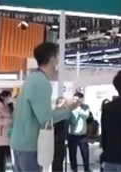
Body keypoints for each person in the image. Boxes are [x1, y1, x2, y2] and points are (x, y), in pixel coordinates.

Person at [10, 42, 78, 172]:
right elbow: (45, 118)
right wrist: (68, 109)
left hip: (20, 144)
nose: (57, 61)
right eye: (57, 57)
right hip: (30, 145)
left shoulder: (31, 80)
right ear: (52, 59)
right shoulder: (41, 82)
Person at [68, 92, 93, 172]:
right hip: (72, 133)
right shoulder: (70, 107)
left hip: (82, 134)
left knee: (85, 152)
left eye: (77, 99)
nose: (75, 101)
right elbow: (67, 118)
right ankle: (74, 168)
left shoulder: (85, 107)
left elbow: (85, 116)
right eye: (74, 99)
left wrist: (78, 107)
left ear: (81, 99)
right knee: (72, 152)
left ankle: (86, 168)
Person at [0, 91, 14, 172]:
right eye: (8, 96)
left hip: (8, 134)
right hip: (0, 135)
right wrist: (9, 120)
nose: (9, 98)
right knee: (1, 156)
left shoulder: (9, 106)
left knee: (9, 156)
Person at [53, 98, 69, 172]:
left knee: (61, 159)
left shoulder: (64, 114)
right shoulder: (55, 114)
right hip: (57, 140)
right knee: (57, 161)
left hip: (62, 139)